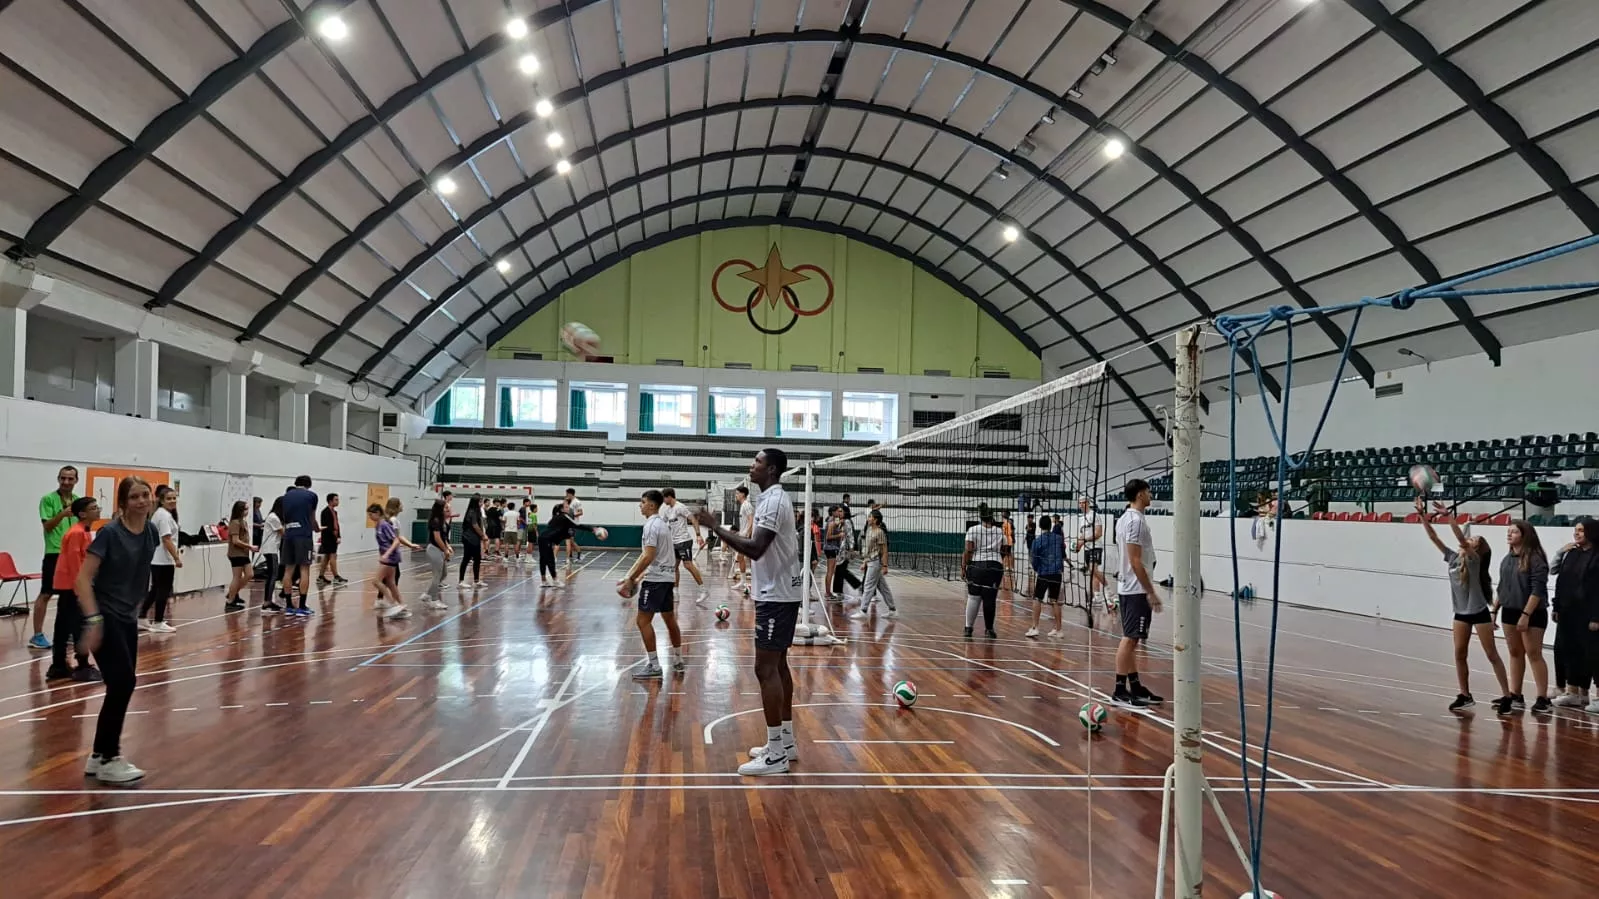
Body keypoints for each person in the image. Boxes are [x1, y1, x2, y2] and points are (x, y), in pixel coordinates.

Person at [693, 449, 800, 776]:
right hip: (778, 592)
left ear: (771, 469)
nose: (751, 466)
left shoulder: (773, 503)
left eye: (756, 462)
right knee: (778, 665)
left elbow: (755, 549)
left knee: (764, 669)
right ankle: (785, 742)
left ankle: (776, 756)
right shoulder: (771, 499)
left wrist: (714, 527)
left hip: (777, 595)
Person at [76, 475, 158, 784]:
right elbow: (82, 580)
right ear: (123, 503)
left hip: (126, 617)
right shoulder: (110, 533)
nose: (141, 501)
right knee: (123, 682)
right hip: (102, 615)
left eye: (145, 495)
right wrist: (93, 620)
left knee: (120, 685)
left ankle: (98, 756)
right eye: (134, 497)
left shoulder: (149, 531)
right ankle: (110, 757)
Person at [1416, 498, 1510, 711]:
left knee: (1491, 654)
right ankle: (1465, 694)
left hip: (1479, 612)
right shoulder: (1451, 558)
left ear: (1477, 548)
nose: (1469, 539)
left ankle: (1506, 695)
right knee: (1459, 654)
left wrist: (1448, 515)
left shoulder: (1474, 560)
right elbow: (1433, 536)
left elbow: (1460, 536)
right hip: (1460, 613)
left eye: (1474, 540)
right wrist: (1422, 515)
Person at [620, 490, 686, 679]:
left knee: (642, 621)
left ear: (651, 505)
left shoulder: (651, 526)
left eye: (642, 502)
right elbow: (653, 556)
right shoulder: (663, 525)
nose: (639, 506)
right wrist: (633, 575)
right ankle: (678, 659)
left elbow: (648, 556)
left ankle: (654, 665)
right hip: (666, 579)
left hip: (656, 581)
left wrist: (632, 577)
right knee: (669, 619)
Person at [1491, 520, 1551, 715]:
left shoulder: (1535, 559)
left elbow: (1538, 589)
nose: (1509, 535)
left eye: (1514, 532)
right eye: (1508, 531)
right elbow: (1502, 587)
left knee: (1534, 653)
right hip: (1509, 610)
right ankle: (1515, 694)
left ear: (1525, 535)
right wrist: (1494, 611)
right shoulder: (1507, 559)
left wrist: (1526, 614)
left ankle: (1542, 697)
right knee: (1515, 653)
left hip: (1532, 612)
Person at [1113, 479, 1164, 707]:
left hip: (1129, 587)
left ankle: (1135, 686)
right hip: (1135, 589)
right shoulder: (1134, 522)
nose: (1151, 495)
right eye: (1148, 492)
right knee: (1130, 638)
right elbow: (1135, 561)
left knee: (1132, 638)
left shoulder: (1125, 518)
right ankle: (1119, 689)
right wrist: (1150, 591)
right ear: (1141, 494)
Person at [45, 496, 100, 682]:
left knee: (64, 625)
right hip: (71, 586)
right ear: (82, 514)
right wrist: (81, 590)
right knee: (77, 625)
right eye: (94, 507)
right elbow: (75, 563)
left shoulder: (82, 531)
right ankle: (82, 666)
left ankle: (58, 665)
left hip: (70, 585)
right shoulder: (77, 533)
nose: (98, 509)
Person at [30, 464, 80, 651]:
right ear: (58, 479)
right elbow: (48, 526)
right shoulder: (48, 500)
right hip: (54, 552)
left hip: (72, 555)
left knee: (70, 595)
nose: (66, 482)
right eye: (63, 478)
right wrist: (63, 513)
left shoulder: (78, 501)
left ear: (76, 480)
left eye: (70, 478)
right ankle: (37, 635)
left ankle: (66, 632)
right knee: (46, 593)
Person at [1552, 518, 1599, 712]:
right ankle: (1574, 693)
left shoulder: (1597, 556)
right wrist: (1556, 607)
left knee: (1593, 655)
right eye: (1576, 530)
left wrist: (1596, 616)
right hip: (1568, 612)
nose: (1577, 533)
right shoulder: (1571, 553)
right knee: (1569, 651)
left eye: (1581, 530)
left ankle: (1596, 696)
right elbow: (1561, 581)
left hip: (1589, 614)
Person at [139, 485, 182, 632]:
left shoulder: (163, 514)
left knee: (156, 588)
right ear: (162, 501)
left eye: (174, 498)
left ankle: (141, 616)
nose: (172, 501)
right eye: (168, 498)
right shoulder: (163, 516)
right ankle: (158, 621)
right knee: (162, 590)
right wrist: (176, 558)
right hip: (163, 559)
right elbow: (166, 539)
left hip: (158, 559)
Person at [275, 476, 318, 612]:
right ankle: (302, 606)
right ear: (308, 485)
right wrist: (317, 528)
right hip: (303, 536)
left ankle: (288, 605)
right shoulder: (311, 496)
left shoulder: (285, 497)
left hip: (288, 535)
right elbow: (312, 517)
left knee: (288, 570)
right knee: (304, 569)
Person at [961, 506, 1006, 639]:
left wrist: (964, 567)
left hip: (977, 565)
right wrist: (996, 560)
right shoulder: (999, 531)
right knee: (990, 598)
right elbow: (1005, 550)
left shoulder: (973, 530)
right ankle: (989, 630)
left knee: (973, 597)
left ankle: (968, 628)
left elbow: (968, 550)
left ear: (980, 517)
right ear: (992, 517)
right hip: (995, 566)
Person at [660, 487, 709, 605]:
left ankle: (703, 590)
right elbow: (662, 523)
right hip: (674, 542)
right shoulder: (667, 511)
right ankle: (675, 592)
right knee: (674, 567)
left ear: (669, 497)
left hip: (684, 541)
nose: (663, 501)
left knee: (688, 565)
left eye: (664, 498)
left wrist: (698, 535)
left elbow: (694, 520)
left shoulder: (680, 507)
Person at [537, 500, 602, 587]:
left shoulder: (556, 517)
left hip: (542, 538)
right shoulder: (564, 517)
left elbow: (562, 530)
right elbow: (578, 525)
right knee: (550, 560)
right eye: (567, 507)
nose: (569, 508)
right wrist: (593, 529)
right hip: (546, 539)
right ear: (562, 510)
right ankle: (555, 580)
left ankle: (544, 581)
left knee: (543, 560)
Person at [851, 508, 898, 619]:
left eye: (870, 517)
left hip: (876, 563)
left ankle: (863, 611)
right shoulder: (869, 530)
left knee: (868, 586)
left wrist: (885, 566)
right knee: (883, 587)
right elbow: (869, 549)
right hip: (870, 561)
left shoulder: (880, 532)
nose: (868, 519)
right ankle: (892, 610)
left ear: (876, 520)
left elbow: (884, 550)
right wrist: (865, 562)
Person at [1028, 514, 1066, 638]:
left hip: (1043, 573)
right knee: (1055, 600)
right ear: (1051, 525)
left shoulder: (1037, 541)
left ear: (1039, 526)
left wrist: (1037, 569)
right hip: (1056, 573)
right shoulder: (1058, 538)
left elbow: (1034, 559)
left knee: (1037, 599)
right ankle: (1059, 630)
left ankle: (1035, 627)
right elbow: (1062, 553)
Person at [371, 502, 411, 620]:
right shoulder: (378, 525)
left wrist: (387, 554)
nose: (370, 517)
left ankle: (392, 604)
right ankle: (403, 607)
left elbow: (396, 541)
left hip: (391, 557)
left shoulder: (384, 525)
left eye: (371, 514)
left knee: (376, 581)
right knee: (391, 583)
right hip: (387, 557)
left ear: (378, 513)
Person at [222, 501, 255, 611]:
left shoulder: (243, 522)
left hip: (244, 553)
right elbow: (235, 541)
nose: (247, 511)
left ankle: (233, 592)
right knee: (237, 576)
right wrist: (250, 547)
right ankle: (230, 601)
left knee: (249, 574)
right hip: (236, 554)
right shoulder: (235, 523)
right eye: (245, 509)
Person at [1074, 498, 1108, 609]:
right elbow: (1082, 535)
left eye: (1083, 502)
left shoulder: (1094, 515)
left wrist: (1084, 540)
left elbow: (1098, 533)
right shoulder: (1081, 519)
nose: (1081, 505)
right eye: (1079, 503)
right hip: (1087, 548)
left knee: (1094, 569)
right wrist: (1079, 545)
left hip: (1096, 547)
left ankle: (1108, 589)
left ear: (1088, 503)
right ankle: (1097, 596)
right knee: (1092, 572)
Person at [420, 499, 452, 611]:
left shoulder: (443, 521)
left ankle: (427, 595)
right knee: (437, 575)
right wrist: (445, 550)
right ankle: (434, 600)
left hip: (440, 550)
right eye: (445, 508)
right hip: (434, 549)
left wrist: (447, 546)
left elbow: (444, 537)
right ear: (440, 509)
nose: (448, 509)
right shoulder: (436, 521)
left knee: (443, 574)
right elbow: (437, 538)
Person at [258, 497, 285, 613]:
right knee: (272, 575)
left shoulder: (274, 517)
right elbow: (283, 532)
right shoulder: (274, 517)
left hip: (272, 548)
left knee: (273, 574)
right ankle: (267, 602)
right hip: (270, 549)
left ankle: (268, 601)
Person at [316, 494, 346, 586]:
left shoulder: (334, 512)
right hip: (328, 538)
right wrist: (335, 538)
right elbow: (328, 527)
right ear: (330, 501)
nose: (338, 501)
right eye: (336, 500)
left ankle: (320, 577)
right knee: (333, 556)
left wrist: (339, 536)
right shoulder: (325, 512)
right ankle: (336, 577)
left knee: (327, 557)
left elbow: (336, 525)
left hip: (334, 537)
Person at [459, 495, 487, 588]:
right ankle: (461, 581)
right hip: (469, 539)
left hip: (475, 539)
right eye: (480, 501)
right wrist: (483, 536)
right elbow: (475, 525)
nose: (481, 503)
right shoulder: (472, 512)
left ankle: (476, 580)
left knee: (477, 559)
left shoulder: (477, 511)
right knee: (466, 559)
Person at [732, 486, 754, 593]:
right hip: (742, 535)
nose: (736, 495)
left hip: (746, 537)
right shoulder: (742, 506)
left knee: (748, 558)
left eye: (737, 493)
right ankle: (743, 581)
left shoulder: (747, 505)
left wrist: (747, 533)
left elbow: (751, 520)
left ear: (743, 494)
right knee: (740, 558)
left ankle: (752, 581)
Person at [562, 488, 584, 564]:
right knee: (569, 542)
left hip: (573, 523)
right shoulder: (568, 502)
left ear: (570, 494)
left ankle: (580, 555)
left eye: (567, 494)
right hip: (567, 523)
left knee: (571, 541)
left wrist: (573, 515)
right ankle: (570, 557)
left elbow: (581, 512)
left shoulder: (577, 502)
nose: (566, 495)